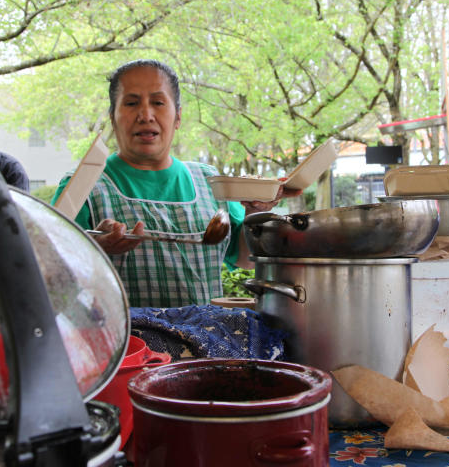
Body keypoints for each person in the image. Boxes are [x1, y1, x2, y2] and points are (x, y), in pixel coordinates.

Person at [51, 59, 298, 308]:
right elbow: (51, 280)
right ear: (113, 118)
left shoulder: (211, 182)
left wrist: (257, 211)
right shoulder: (82, 187)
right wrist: (95, 249)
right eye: (131, 103)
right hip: (128, 345)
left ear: (178, 117)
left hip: (203, 342)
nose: (145, 115)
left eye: (158, 103)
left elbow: (246, 258)